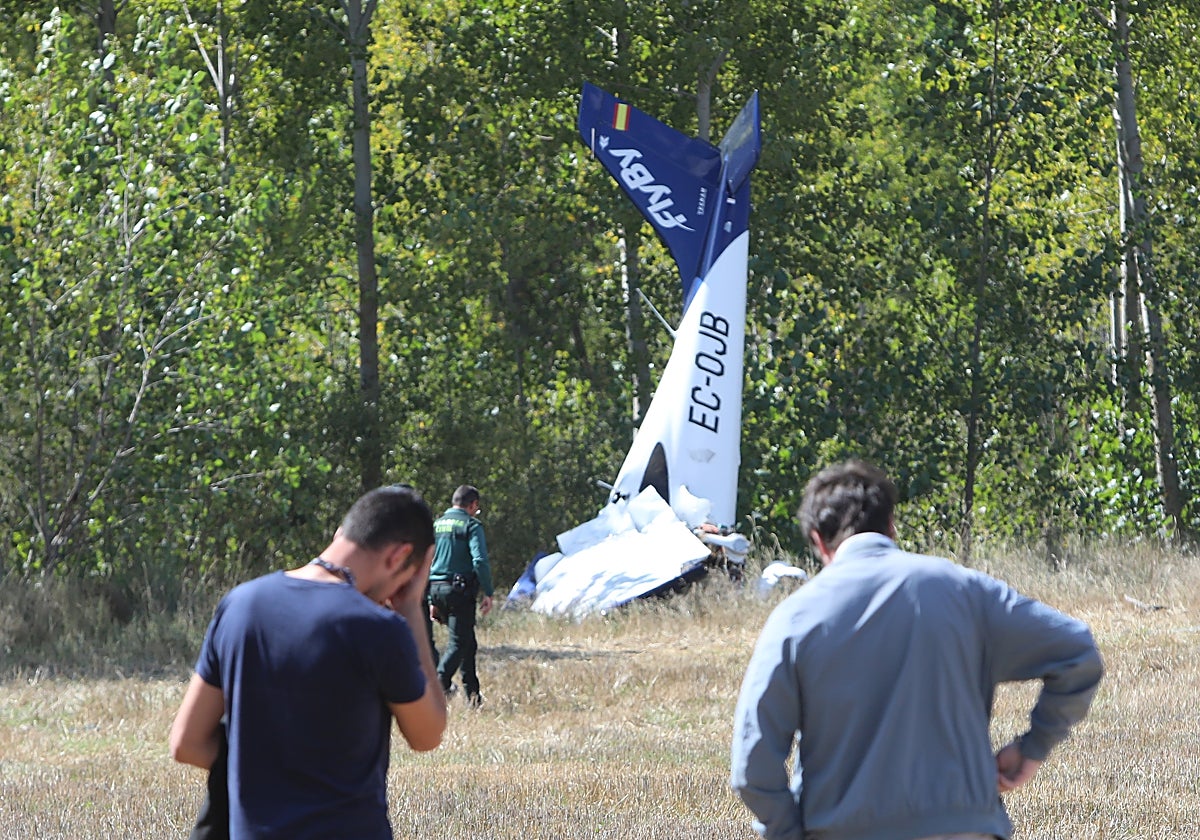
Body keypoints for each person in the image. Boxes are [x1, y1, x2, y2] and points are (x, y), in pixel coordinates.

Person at [730, 460, 1103, 840]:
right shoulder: (966, 592)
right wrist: (1033, 746)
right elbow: (1077, 651)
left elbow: (752, 766)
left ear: (818, 540)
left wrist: (788, 832)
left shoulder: (794, 619)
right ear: (891, 525)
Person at [170, 484, 447, 840]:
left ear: (340, 534)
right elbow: (428, 734)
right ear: (398, 558)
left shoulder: (241, 605)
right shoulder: (379, 629)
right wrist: (411, 610)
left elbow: (186, 742)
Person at [425, 484, 494, 707]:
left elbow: (427, 561)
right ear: (472, 505)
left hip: (436, 588)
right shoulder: (471, 525)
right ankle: (437, 686)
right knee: (458, 642)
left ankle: (473, 697)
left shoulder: (437, 525)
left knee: (467, 643)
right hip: (459, 591)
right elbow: (480, 561)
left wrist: (430, 600)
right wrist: (488, 592)